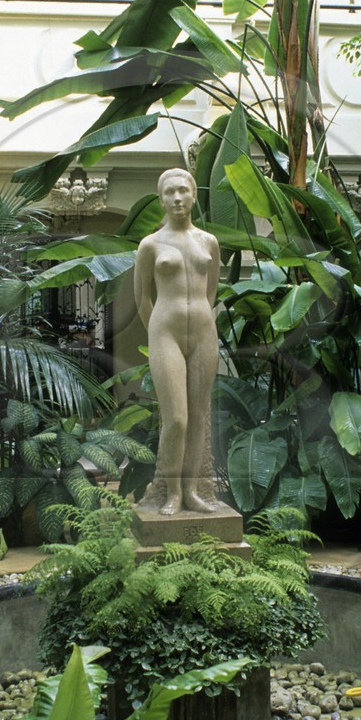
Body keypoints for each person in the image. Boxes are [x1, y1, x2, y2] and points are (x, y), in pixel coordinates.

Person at [134, 168, 222, 517]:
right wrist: (157, 332)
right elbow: (142, 297)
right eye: (170, 192)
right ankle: (170, 491)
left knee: (198, 416)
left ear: (194, 195)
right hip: (165, 333)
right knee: (177, 420)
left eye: (183, 191)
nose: (177, 198)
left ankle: (190, 490)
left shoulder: (208, 242)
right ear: (161, 198)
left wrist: (201, 318)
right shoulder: (151, 244)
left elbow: (212, 289)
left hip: (203, 332)